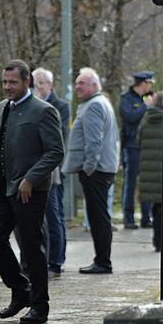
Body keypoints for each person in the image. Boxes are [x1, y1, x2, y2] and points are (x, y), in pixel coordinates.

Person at [0, 60, 63, 324]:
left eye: (13, 82)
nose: (7, 87)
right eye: (4, 82)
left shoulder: (44, 110)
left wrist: (31, 178)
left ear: (27, 81)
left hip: (30, 190)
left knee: (31, 247)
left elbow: (55, 151)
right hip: (1, 189)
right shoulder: (1, 108)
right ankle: (21, 290)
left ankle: (40, 306)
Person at [64, 68, 120, 271]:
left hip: (96, 171)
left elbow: (94, 142)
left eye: (82, 83)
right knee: (99, 215)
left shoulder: (94, 105)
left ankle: (103, 262)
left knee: (98, 216)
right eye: (77, 83)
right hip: (102, 169)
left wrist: (88, 168)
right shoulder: (99, 102)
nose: (77, 86)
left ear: (94, 86)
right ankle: (102, 260)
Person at [32, 67, 69, 277]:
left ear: (50, 85)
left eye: (41, 84)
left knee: (54, 215)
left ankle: (56, 260)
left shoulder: (59, 106)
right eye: (35, 84)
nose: (38, 88)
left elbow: (59, 137)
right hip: (34, 169)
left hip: (53, 170)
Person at [119, 71, 156, 229]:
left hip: (147, 146)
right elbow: (130, 118)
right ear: (142, 83)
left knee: (147, 184)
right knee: (131, 183)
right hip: (132, 147)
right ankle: (129, 219)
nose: (151, 86)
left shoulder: (149, 98)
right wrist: (144, 106)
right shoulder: (126, 99)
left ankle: (146, 218)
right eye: (149, 83)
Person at [138, 104, 163, 252]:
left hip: (148, 170)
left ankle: (157, 240)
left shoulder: (145, 120)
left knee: (156, 207)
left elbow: (138, 141)